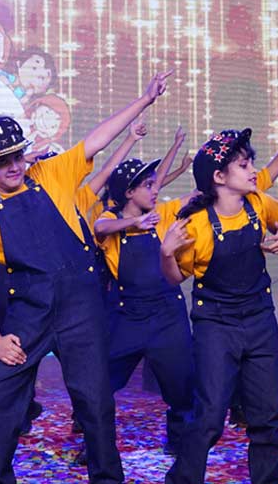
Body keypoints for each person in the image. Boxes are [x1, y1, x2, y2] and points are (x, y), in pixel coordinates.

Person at [0, 70, 173, 484]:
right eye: (1, 161)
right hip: (29, 311)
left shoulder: (52, 174)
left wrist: (145, 99)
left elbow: (98, 138)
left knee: (95, 402)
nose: (13, 166)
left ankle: (107, 478)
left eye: (17, 156)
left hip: (80, 308)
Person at [161, 128, 278, 484]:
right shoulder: (196, 225)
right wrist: (166, 253)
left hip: (260, 319)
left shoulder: (260, 203)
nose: (253, 171)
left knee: (266, 417)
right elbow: (175, 278)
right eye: (243, 165)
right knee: (209, 416)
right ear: (219, 177)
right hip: (216, 325)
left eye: (251, 163)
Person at [94, 127, 194, 456]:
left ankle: (180, 441)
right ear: (128, 193)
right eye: (148, 186)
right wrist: (133, 224)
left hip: (167, 316)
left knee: (181, 386)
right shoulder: (110, 219)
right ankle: (96, 442)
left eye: (153, 184)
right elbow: (100, 227)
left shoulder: (161, 214)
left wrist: (179, 148)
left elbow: (194, 196)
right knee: (100, 383)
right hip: (127, 317)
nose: (156, 189)